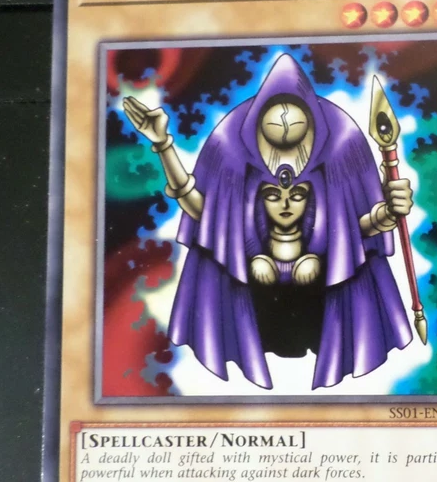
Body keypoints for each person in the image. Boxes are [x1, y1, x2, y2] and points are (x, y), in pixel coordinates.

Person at [122, 53, 414, 390]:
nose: (285, 198)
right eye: (274, 194)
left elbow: (357, 232)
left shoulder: (342, 143)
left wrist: (389, 210)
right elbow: (206, 216)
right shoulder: (229, 145)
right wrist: (163, 144)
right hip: (255, 299)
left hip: (320, 300)